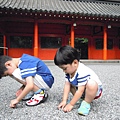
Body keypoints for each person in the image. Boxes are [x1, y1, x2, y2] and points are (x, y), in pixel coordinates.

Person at [54, 45, 103, 116]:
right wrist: (64, 100)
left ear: (75, 63)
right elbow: (67, 85)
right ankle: (80, 99)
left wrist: (71, 104)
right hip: (83, 89)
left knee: (91, 84)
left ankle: (86, 103)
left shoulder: (82, 71)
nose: (64, 71)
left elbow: (80, 90)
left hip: (94, 90)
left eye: (64, 68)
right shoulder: (70, 71)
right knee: (69, 84)